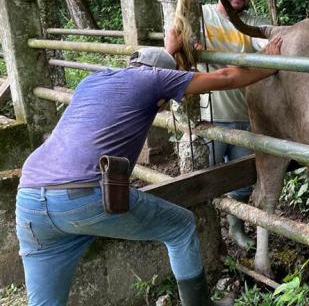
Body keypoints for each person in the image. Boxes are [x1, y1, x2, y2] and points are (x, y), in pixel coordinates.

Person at [15, 35, 283, 306]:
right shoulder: (156, 80)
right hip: (83, 195)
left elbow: (146, 72)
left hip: (30, 198)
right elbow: (225, 77)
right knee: (181, 227)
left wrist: (168, 53)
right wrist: (268, 64)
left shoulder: (95, 79)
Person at [198, 0, 274, 249]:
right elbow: (177, 38)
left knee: (243, 181)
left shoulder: (251, 25)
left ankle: (234, 225)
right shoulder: (201, 16)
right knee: (206, 179)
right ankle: (208, 236)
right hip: (209, 115)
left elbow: (270, 52)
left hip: (243, 114)